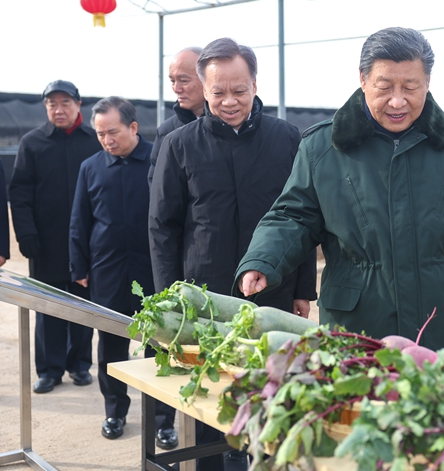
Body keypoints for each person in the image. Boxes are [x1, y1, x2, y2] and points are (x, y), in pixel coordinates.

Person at [236, 27, 444, 363]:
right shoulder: (322, 147)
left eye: (410, 87)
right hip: (358, 331)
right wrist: (263, 259)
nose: (397, 101)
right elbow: (293, 216)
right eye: (384, 87)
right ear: (363, 79)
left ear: (427, 82)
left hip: (443, 331)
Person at [149, 37, 317, 470]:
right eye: (218, 92)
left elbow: (302, 216)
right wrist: (171, 299)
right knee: (208, 394)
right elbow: (163, 227)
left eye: (239, 90)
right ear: (203, 90)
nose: (229, 101)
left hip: (272, 290)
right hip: (203, 295)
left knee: (268, 391)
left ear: (255, 85)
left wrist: (303, 288)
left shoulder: (286, 138)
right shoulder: (179, 144)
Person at [69, 97, 154, 440]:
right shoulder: (91, 167)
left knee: (159, 344)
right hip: (107, 270)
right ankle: (115, 412)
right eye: (100, 134)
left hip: (152, 270)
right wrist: (79, 266)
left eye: (112, 132)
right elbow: (80, 220)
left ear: (133, 127)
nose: (106, 140)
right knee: (110, 346)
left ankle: (162, 420)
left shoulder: (158, 160)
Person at [9, 80, 101, 394]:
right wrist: (26, 233)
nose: (58, 110)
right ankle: (49, 370)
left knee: (82, 304)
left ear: (78, 104)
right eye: (52, 104)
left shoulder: (94, 141)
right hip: (44, 243)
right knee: (47, 306)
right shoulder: (32, 143)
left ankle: (79, 364)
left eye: (64, 103)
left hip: (86, 243)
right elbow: (19, 193)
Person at [148, 47, 205, 185]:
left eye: (184, 80)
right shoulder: (167, 131)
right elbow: (158, 186)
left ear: (208, 79)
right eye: (172, 81)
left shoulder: (232, 123)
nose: (176, 88)